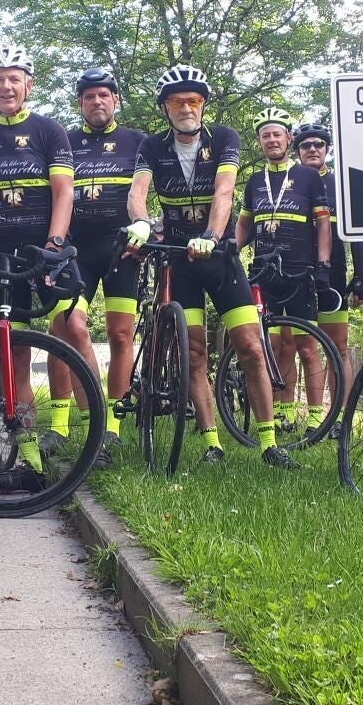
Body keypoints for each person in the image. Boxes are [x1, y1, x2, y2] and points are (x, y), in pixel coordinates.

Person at [125, 65, 299, 469]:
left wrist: (212, 234)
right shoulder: (152, 146)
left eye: (194, 101)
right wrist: (140, 221)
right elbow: (138, 192)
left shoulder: (223, 138)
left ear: (203, 105)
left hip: (219, 258)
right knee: (194, 354)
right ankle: (212, 444)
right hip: (179, 261)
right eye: (177, 102)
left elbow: (224, 191)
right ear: (165, 108)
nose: (186, 108)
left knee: (251, 347)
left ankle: (269, 443)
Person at [0, 43, 93, 493]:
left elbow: (64, 192)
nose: (6, 86)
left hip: (47, 247)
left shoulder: (49, 130)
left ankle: (98, 434)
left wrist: (55, 243)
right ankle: (29, 459)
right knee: (13, 352)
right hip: (2, 255)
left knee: (74, 328)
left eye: (14, 78)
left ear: (28, 85)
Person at [64, 66, 146, 467]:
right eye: (89, 97)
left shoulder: (137, 141)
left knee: (120, 335)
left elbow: (150, 191)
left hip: (121, 250)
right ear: (80, 103)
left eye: (103, 95)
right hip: (77, 249)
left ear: (116, 100)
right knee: (71, 327)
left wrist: (147, 228)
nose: (97, 102)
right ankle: (89, 418)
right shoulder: (64, 141)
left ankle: (112, 426)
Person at [234, 107, 334, 433]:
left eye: (277, 134)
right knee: (273, 346)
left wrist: (323, 264)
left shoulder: (308, 176)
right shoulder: (254, 181)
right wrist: (229, 249)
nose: (272, 140)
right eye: (266, 135)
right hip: (265, 270)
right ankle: (282, 411)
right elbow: (244, 224)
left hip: (299, 269)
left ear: (288, 138)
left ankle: (316, 416)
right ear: (260, 142)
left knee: (307, 346)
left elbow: (323, 224)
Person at [291, 122, 363, 424]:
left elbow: (358, 234)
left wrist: (360, 277)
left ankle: (339, 419)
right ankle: (308, 417)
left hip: (333, 273)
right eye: (306, 145)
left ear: (327, 149)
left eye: (319, 144)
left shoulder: (342, 184)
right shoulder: (289, 183)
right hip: (296, 273)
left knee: (338, 348)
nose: (312, 149)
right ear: (297, 151)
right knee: (302, 346)